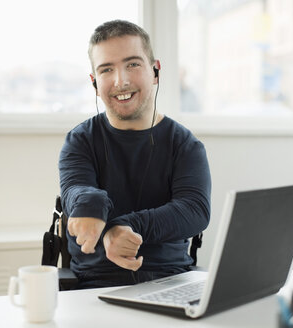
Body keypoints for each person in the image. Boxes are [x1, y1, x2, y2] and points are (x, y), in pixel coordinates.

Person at [58, 20, 211, 289]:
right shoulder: (80, 140)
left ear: (155, 71)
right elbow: (75, 192)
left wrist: (123, 226)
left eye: (132, 64)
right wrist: (91, 203)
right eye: (107, 69)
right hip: (94, 285)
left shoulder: (185, 144)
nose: (121, 80)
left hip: (171, 281)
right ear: (94, 83)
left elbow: (195, 210)